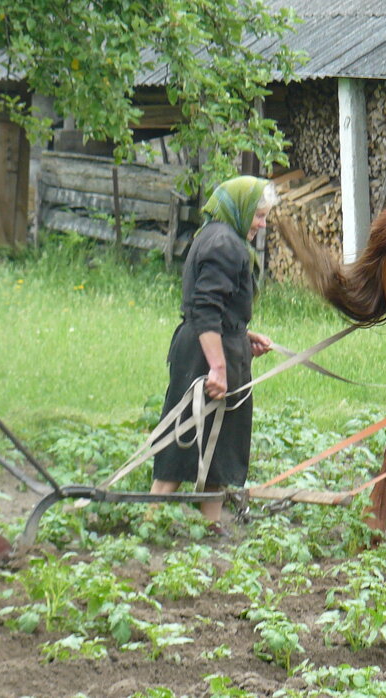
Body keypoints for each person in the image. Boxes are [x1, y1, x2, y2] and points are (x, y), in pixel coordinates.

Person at [149, 175, 277, 527]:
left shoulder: (216, 236)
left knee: (221, 444)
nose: (261, 225)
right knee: (183, 436)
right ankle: (150, 518)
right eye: (258, 215)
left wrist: (242, 333)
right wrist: (218, 368)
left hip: (219, 345)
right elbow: (204, 309)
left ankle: (212, 526)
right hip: (204, 357)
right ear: (239, 209)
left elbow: (217, 308)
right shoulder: (225, 244)